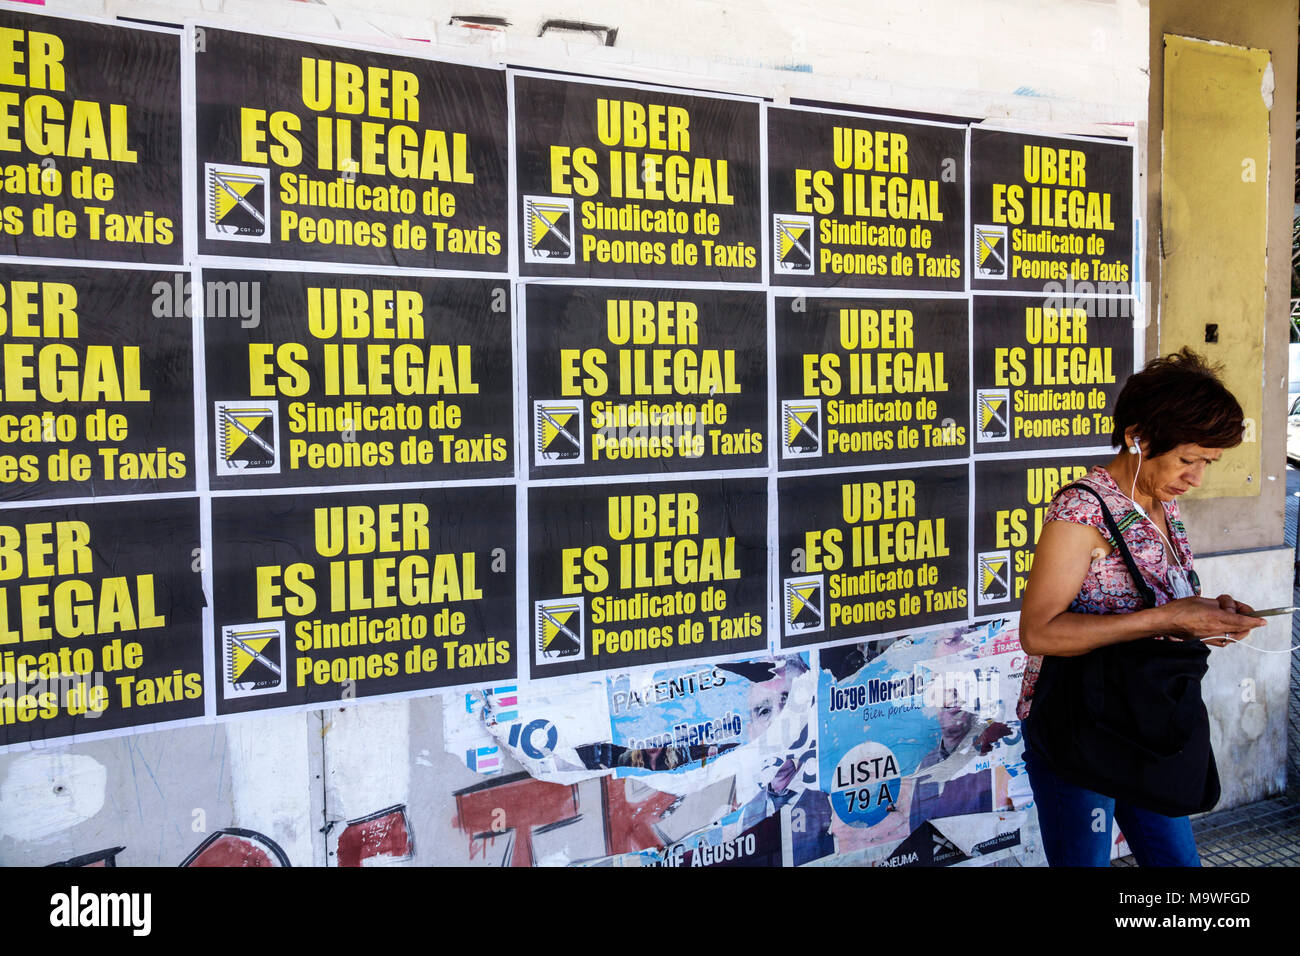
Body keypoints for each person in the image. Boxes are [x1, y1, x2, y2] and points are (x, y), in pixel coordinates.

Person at [1017, 348, 1266, 867]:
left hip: (1146, 720)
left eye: (1207, 462)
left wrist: (1207, 615)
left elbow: (1159, 600)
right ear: (1139, 437)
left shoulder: (1162, 502)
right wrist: (1170, 618)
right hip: (1082, 723)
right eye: (1188, 458)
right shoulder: (1081, 509)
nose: (1196, 476)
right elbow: (1038, 634)